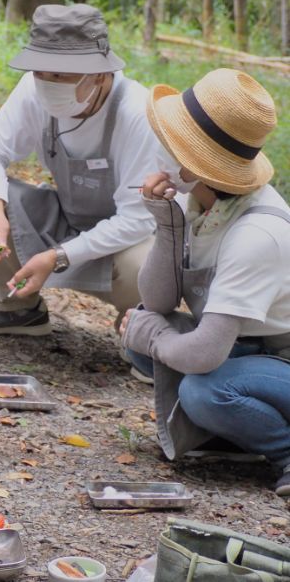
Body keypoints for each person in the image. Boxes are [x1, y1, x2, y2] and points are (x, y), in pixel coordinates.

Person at [120, 68, 290, 496]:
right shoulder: (194, 197)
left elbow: (205, 354)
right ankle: (233, 434)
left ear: (198, 164)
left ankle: (285, 450)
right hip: (246, 346)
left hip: (277, 356)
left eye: (173, 141)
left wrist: (154, 337)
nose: (162, 148)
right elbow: (156, 299)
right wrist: (166, 224)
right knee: (140, 342)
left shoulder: (257, 233)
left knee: (202, 391)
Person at [0, 3, 162, 340]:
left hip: (124, 244)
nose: (47, 83)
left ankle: (139, 328)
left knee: (146, 262)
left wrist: (58, 257)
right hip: (67, 219)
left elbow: (138, 220)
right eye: (40, 72)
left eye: (61, 74)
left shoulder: (138, 113)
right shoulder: (33, 92)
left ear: (100, 73)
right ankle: (17, 307)